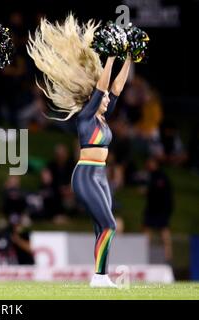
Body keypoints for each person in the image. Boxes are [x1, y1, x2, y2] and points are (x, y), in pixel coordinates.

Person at [28, 14, 133, 288]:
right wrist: (110, 57)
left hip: (100, 175)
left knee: (103, 227)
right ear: (93, 98)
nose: (108, 97)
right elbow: (103, 88)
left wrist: (129, 55)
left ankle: (102, 276)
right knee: (109, 224)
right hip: (85, 175)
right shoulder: (87, 115)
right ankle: (100, 277)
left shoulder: (102, 118)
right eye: (104, 96)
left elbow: (117, 87)